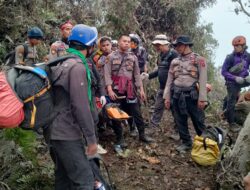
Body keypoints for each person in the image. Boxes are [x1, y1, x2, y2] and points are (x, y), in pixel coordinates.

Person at [49, 24, 98, 189]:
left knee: (63, 179)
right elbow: (80, 106)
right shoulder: (77, 67)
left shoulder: (62, 62)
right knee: (84, 180)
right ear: (90, 46)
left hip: (54, 131)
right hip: (67, 133)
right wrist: (91, 139)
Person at [104, 34, 154, 150]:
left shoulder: (133, 57)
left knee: (137, 112)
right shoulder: (111, 57)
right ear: (119, 42)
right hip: (116, 90)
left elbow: (136, 74)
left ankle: (142, 135)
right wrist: (109, 89)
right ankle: (120, 138)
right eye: (124, 41)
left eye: (128, 41)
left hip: (130, 90)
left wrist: (141, 89)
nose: (126, 43)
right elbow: (107, 74)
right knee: (116, 114)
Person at [163, 35, 207, 153]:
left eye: (179, 45)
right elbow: (169, 81)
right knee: (180, 120)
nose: (177, 48)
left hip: (192, 95)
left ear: (186, 45)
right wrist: (167, 97)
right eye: (176, 46)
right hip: (177, 95)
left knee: (198, 121)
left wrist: (202, 99)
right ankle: (186, 142)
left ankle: (205, 144)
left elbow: (203, 79)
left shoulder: (199, 59)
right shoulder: (174, 61)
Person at [141, 34, 178, 134]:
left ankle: (178, 130)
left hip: (172, 87)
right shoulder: (161, 55)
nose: (157, 47)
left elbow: (178, 72)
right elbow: (159, 70)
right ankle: (153, 127)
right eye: (156, 45)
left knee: (175, 109)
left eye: (159, 45)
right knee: (158, 107)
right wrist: (148, 76)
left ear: (165, 44)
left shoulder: (174, 54)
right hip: (162, 87)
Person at [221, 35, 250, 132]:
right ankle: (231, 123)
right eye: (234, 46)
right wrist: (234, 78)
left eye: (237, 46)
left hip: (244, 79)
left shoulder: (248, 56)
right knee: (231, 101)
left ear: (243, 46)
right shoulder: (230, 57)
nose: (235, 48)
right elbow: (223, 72)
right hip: (232, 82)